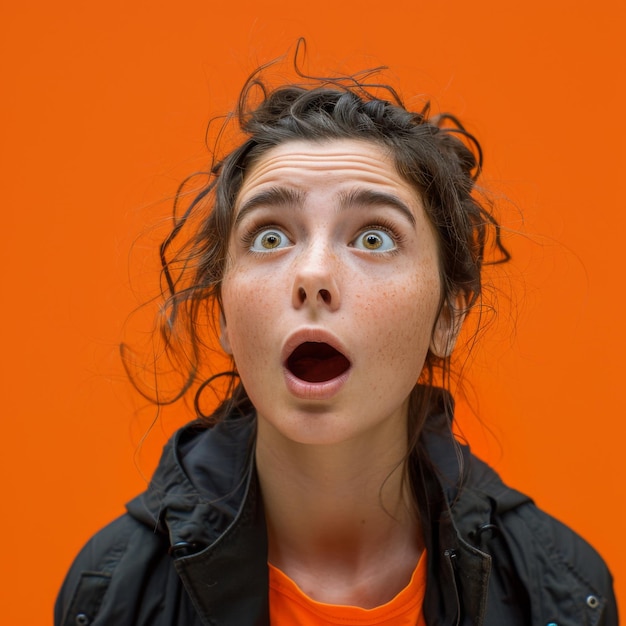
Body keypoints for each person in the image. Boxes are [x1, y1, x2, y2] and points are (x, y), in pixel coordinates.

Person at [55, 48, 618, 626]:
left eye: (374, 238)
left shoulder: (562, 594)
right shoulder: (111, 593)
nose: (314, 275)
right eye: (270, 237)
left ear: (447, 316)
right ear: (222, 313)